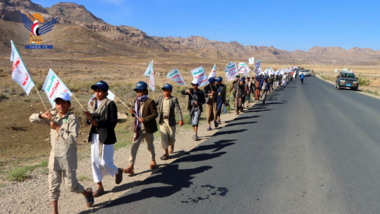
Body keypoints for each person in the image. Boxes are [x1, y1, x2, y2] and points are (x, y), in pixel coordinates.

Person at [30, 92, 94, 214]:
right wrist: (41, 115)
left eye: (63, 102)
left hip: (67, 158)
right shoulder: (52, 116)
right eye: (58, 103)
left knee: (71, 186)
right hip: (54, 158)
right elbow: (31, 119)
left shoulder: (72, 119)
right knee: (53, 188)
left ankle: (87, 193)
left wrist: (58, 128)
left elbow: (72, 139)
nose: (60, 105)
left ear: (69, 104)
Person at [85, 80, 123, 197]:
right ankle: (100, 186)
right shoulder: (91, 104)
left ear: (106, 92)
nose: (97, 93)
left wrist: (99, 123)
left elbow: (113, 122)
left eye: (100, 91)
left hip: (106, 136)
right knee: (94, 162)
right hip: (95, 136)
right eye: (95, 91)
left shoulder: (110, 104)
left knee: (105, 162)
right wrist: (89, 118)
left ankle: (118, 171)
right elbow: (88, 122)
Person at [124, 81, 158, 175]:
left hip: (148, 128)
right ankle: (131, 166)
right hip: (138, 128)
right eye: (137, 91)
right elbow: (137, 113)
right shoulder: (136, 101)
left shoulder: (150, 101)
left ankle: (153, 160)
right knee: (134, 147)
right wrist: (133, 112)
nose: (139, 93)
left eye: (141, 91)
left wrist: (145, 119)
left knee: (150, 146)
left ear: (145, 91)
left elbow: (155, 114)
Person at [155, 83, 183, 160]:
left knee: (171, 138)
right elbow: (153, 104)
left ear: (170, 91)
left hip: (171, 121)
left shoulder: (174, 99)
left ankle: (171, 145)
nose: (165, 92)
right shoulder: (160, 98)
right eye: (164, 90)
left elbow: (178, 110)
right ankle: (166, 153)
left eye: (167, 90)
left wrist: (180, 119)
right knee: (164, 138)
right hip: (162, 121)